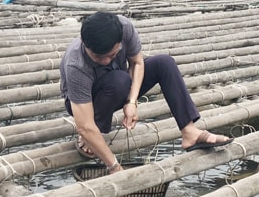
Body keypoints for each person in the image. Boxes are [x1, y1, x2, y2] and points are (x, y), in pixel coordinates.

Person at [60, 11, 232, 173]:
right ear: (84, 42)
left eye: (112, 55)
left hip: (120, 84)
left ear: (119, 42)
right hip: (86, 102)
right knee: (119, 81)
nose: (105, 61)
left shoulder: (125, 28)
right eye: (98, 57)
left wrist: (132, 102)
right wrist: (113, 166)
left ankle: (190, 132)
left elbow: (137, 63)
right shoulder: (76, 65)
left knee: (164, 63)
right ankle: (96, 131)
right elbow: (84, 126)